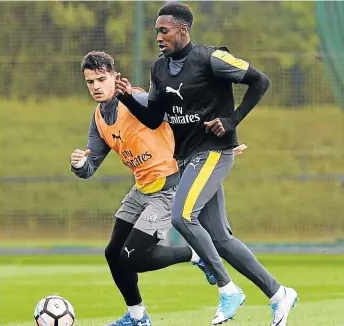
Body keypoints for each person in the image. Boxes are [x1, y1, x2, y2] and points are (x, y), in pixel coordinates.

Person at [115, 2, 298, 326]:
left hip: (214, 152)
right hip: (186, 159)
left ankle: (228, 289)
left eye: (164, 30)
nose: (158, 36)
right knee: (221, 239)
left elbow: (261, 81)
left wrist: (232, 120)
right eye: (156, 30)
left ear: (183, 30)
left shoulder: (211, 58)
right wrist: (127, 96)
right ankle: (279, 294)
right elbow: (155, 118)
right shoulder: (159, 69)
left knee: (183, 217)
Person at [71, 51, 246, 326]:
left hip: (168, 187)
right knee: (113, 254)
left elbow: (181, 115)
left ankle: (197, 254)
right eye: (90, 82)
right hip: (142, 189)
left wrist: (215, 144)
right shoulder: (99, 118)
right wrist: (80, 164)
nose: (95, 87)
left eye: (101, 79)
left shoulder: (137, 100)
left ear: (115, 77)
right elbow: (90, 166)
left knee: (134, 258)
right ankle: (138, 318)